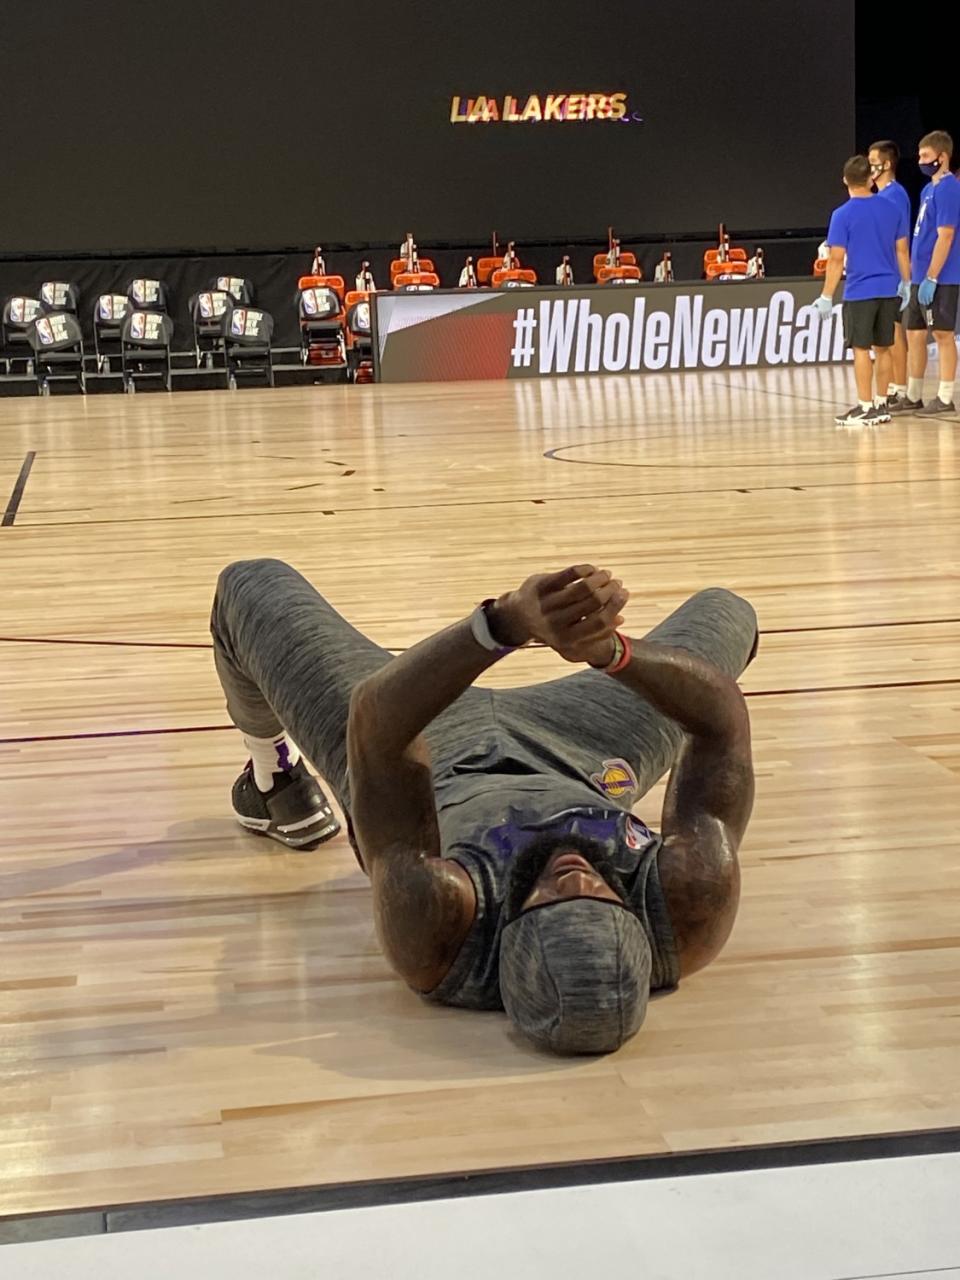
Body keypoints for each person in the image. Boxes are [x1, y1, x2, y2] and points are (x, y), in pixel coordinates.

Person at [210, 558, 758, 1055]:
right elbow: (720, 722)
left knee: (250, 586)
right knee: (730, 615)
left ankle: (272, 776)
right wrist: (609, 651)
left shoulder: (439, 925)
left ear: (510, 931)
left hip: (431, 753)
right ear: (635, 922)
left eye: (551, 895)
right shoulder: (688, 908)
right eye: (601, 889)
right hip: (589, 750)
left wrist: (505, 624)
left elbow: (378, 724)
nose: (575, 871)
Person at [815, 154, 911, 426]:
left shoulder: (841, 215)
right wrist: (906, 283)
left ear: (845, 180)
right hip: (889, 288)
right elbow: (902, 250)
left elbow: (835, 259)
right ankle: (881, 404)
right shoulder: (892, 210)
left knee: (860, 349)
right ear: (871, 178)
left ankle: (865, 405)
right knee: (884, 348)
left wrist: (826, 295)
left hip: (860, 290)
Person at [899, 130, 960, 416]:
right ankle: (913, 394)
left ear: (942, 157)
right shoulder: (927, 190)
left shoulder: (949, 188)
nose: (920, 161)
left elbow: (945, 236)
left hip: (941, 276)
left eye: (925, 156)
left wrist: (933, 276)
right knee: (914, 333)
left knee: (944, 335)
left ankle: (945, 397)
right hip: (918, 275)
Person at [868, 140, 912, 408]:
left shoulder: (893, 195)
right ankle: (897, 386)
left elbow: (898, 240)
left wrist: (904, 278)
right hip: (885, 269)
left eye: (873, 160)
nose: (869, 165)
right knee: (890, 330)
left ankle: (899, 387)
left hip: (892, 271)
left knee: (894, 331)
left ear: (886, 164)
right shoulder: (882, 195)